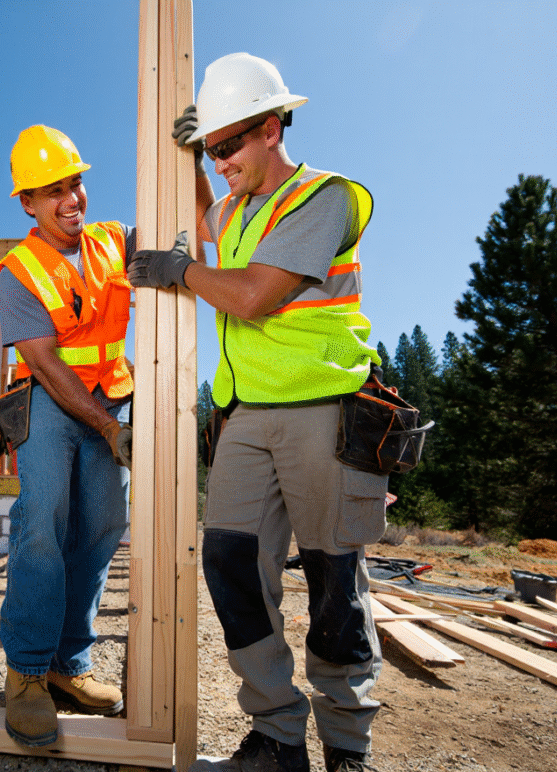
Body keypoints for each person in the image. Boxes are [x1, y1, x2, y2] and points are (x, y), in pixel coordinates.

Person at [129, 53, 387, 772]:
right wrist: (187, 156)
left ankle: (347, 746)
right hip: (245, 416)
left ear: (272, 128)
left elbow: (250, 295)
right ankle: (276, 736)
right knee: (231, 564)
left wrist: (180, 272)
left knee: (335, 582)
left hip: (323, 412)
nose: (219, 163)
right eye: (210, 150)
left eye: (228, 146)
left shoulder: (326, 197)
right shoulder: (234, 208)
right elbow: (200, 221)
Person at [0, 125, 136, 748]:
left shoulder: (113, 241)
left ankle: (70, 667)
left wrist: (196, 160)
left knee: (100, 529)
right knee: (43, 527)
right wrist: (107, 427)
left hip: (112, 398)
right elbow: (46, 362)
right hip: (52, 404)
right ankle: (26, 676)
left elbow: (192, 229)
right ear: (27, 203)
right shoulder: (18, 272)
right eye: (53, 191)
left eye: (76, 184)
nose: (71, 199)